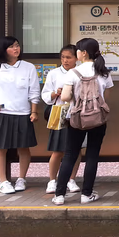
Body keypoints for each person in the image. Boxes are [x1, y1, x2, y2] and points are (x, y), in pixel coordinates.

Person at [52, 38, 113, 205]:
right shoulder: (103, 72)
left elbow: (64, 97)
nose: (76, 53)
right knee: (92, 154)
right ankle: (87, 194)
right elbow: (105, 97)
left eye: (77, 50)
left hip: (77, 118)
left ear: (83, 53)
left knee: (70, 154)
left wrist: (75, 99)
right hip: (98, 119)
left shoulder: (73, 72)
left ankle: (59, 195)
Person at [0, 36, 40, 194]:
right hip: (1, 113)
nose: (16, 49)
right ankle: (3, 182)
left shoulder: (28, 67)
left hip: (23, 113)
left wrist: (34, 111)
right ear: (4, 50)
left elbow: (34, 92)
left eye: (17, 45)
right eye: (11, 47)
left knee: (24, 148)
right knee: (0, 148)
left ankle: (21, 178)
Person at [41, 44, 83, 194]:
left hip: (76, 113)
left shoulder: (79, 72)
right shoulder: (53, 74)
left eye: (69, 57)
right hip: (59, 113)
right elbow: (45, 95)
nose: (65, 60)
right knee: (58, 150)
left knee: (75, 150)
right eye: (63, 57)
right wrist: (55, 93)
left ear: (76, 58)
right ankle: (52, 180)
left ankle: (71, 179)